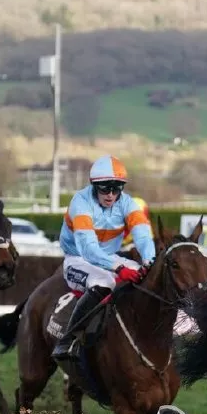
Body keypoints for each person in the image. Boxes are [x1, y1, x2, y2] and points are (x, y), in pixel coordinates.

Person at [52, 154, 157, 362]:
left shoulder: (127, 204)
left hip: (109, 257)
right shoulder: (80, 203)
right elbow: (88, 249)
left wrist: (149, 262)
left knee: (148, 278)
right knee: (105, 281)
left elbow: (143, 236)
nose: (110, 195)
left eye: (116, 188)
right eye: (104, 188)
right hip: (78, 259)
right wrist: (119, 269)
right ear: (94, 186)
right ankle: (68, 339)